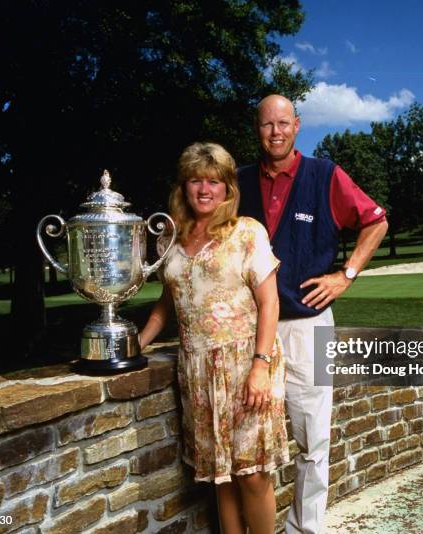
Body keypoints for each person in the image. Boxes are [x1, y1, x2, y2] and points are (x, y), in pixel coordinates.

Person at [238, 95, 389, 534]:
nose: (276, 132)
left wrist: (346, 274)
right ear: (257, 129)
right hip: (248, 334)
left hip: (307, 325)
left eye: (284, 123)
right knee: (246, 444)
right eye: (267, 124)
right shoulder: (239, 181)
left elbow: (376, 221)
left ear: (298, 125)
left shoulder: (324, 174)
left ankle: (304, 529)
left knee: (312, 441)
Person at [139, 142, 289, 534]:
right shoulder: (167, 241)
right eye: (195, 181)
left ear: (227, 189)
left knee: (252, 473)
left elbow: (270, 303)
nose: (204, 190)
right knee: (221, 476)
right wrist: (135, 343)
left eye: (214, 182)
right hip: (198, 371)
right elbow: (167, 303)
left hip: (247, 365)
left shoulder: (246, 233)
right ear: (183, 187)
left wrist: (261, 366)